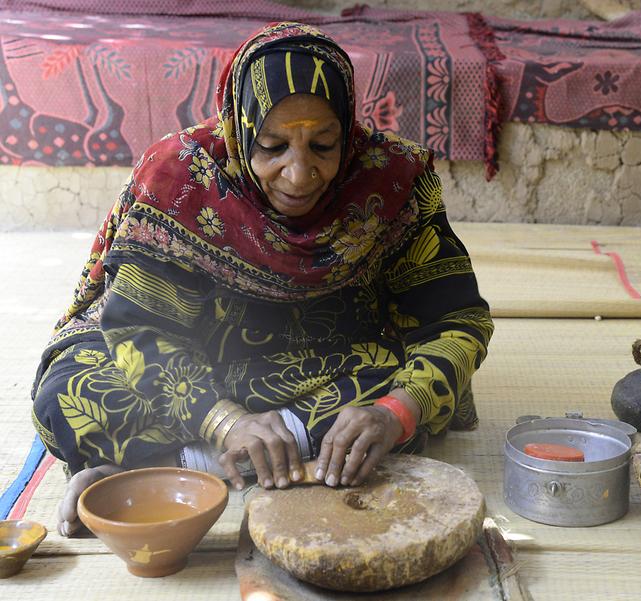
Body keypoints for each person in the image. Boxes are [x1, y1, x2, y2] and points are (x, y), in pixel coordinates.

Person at [30, 22, 493, 537]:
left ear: (348, 128)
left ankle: (170, 466)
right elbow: (140, 333)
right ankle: (262, 452)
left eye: (323, 145)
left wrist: (393, 414)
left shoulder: (391, 178)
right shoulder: (181, 179)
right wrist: (226, 421)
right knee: (67, 397)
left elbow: (457, 321)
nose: (299, 175)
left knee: (398, 398)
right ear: (240, 129)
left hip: (326, 358)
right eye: (272, 147)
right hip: (191, 359)